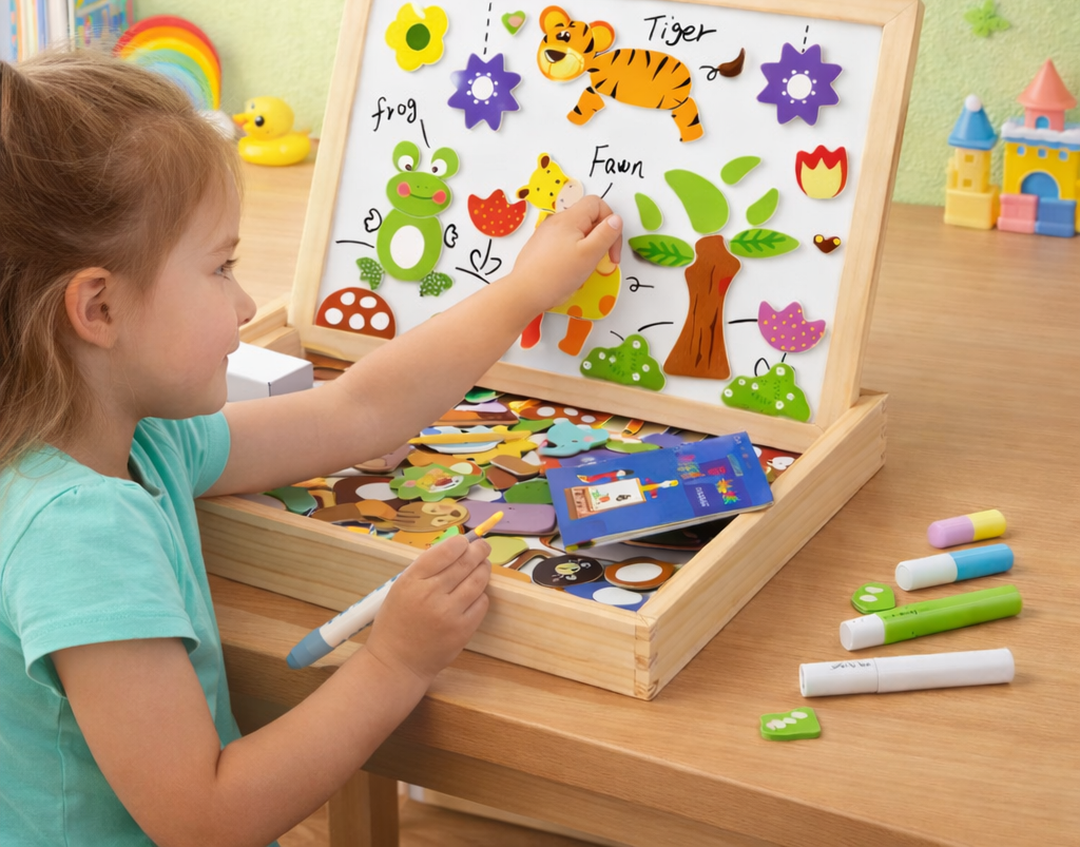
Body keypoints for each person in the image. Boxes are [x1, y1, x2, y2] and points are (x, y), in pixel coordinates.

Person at [0, 50, 623, 847]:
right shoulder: (79, 531)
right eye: (220, 267)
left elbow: (358, 410)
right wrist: (395, 663)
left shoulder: (137, 438)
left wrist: (526, 290)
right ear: (98, 309)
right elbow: (207, 818)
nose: (247, 301)